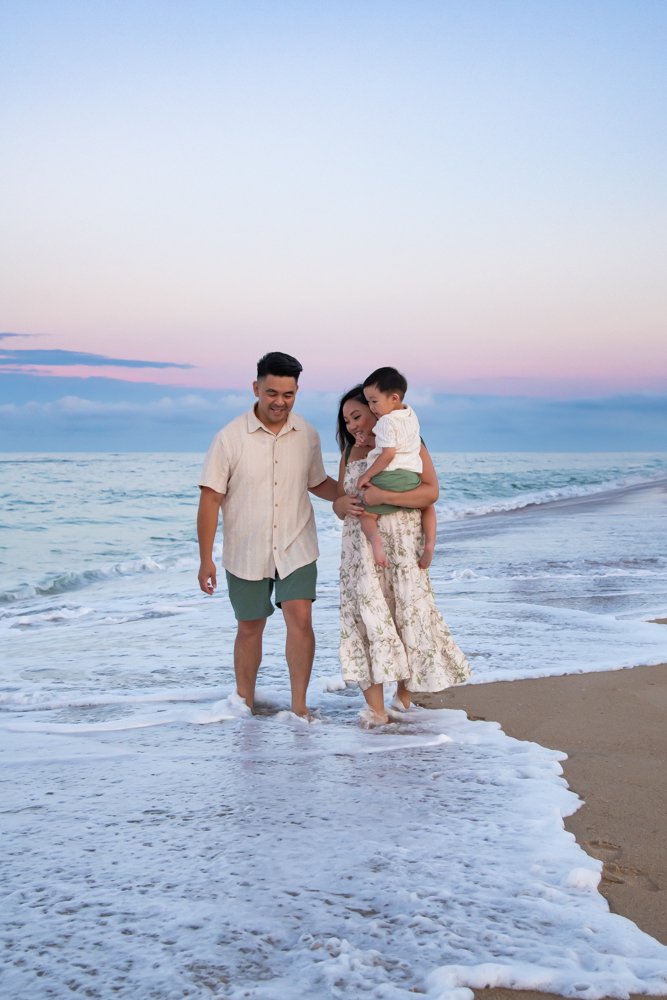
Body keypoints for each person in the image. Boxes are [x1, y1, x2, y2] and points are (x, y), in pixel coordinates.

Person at [197, 352, 338, 718]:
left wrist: (354, 496)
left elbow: (317, 482)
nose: (280, 402)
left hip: (296, 543)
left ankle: (300, 708)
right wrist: (205, 559)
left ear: (297, 392)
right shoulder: (229, 438)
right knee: (249, 627)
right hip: (246, 550)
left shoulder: (307, 434)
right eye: (272, 392)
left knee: (301, 620)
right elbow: (210, 498)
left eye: (288, 394)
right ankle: (243, 704)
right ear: (256, 388)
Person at [334, 385, 471, 725]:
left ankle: (404, 699)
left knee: (408, 616)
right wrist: (341, 504)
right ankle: (376, 711)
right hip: (360, 552)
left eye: (358, 416)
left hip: (404, 546)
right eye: (347, 421)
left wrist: (383, 497)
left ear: (377, 410)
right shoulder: (350, 451)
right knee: (366, 621)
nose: (352, 425)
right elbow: (340, 501)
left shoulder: (408, 444)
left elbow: (430, 493)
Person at [356, 366, 436, 570]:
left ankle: (376, 543)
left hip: (390, 476)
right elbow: (398, 443)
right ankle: (429, 544)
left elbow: (388, 454)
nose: (371, 407)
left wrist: (367, 475)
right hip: (411, 477)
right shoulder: (410, 415)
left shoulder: (385, 421)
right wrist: (370, 441)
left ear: (393, 398)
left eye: (374, 401)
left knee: (367, 514)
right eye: (368, 402)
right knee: (427, 506)